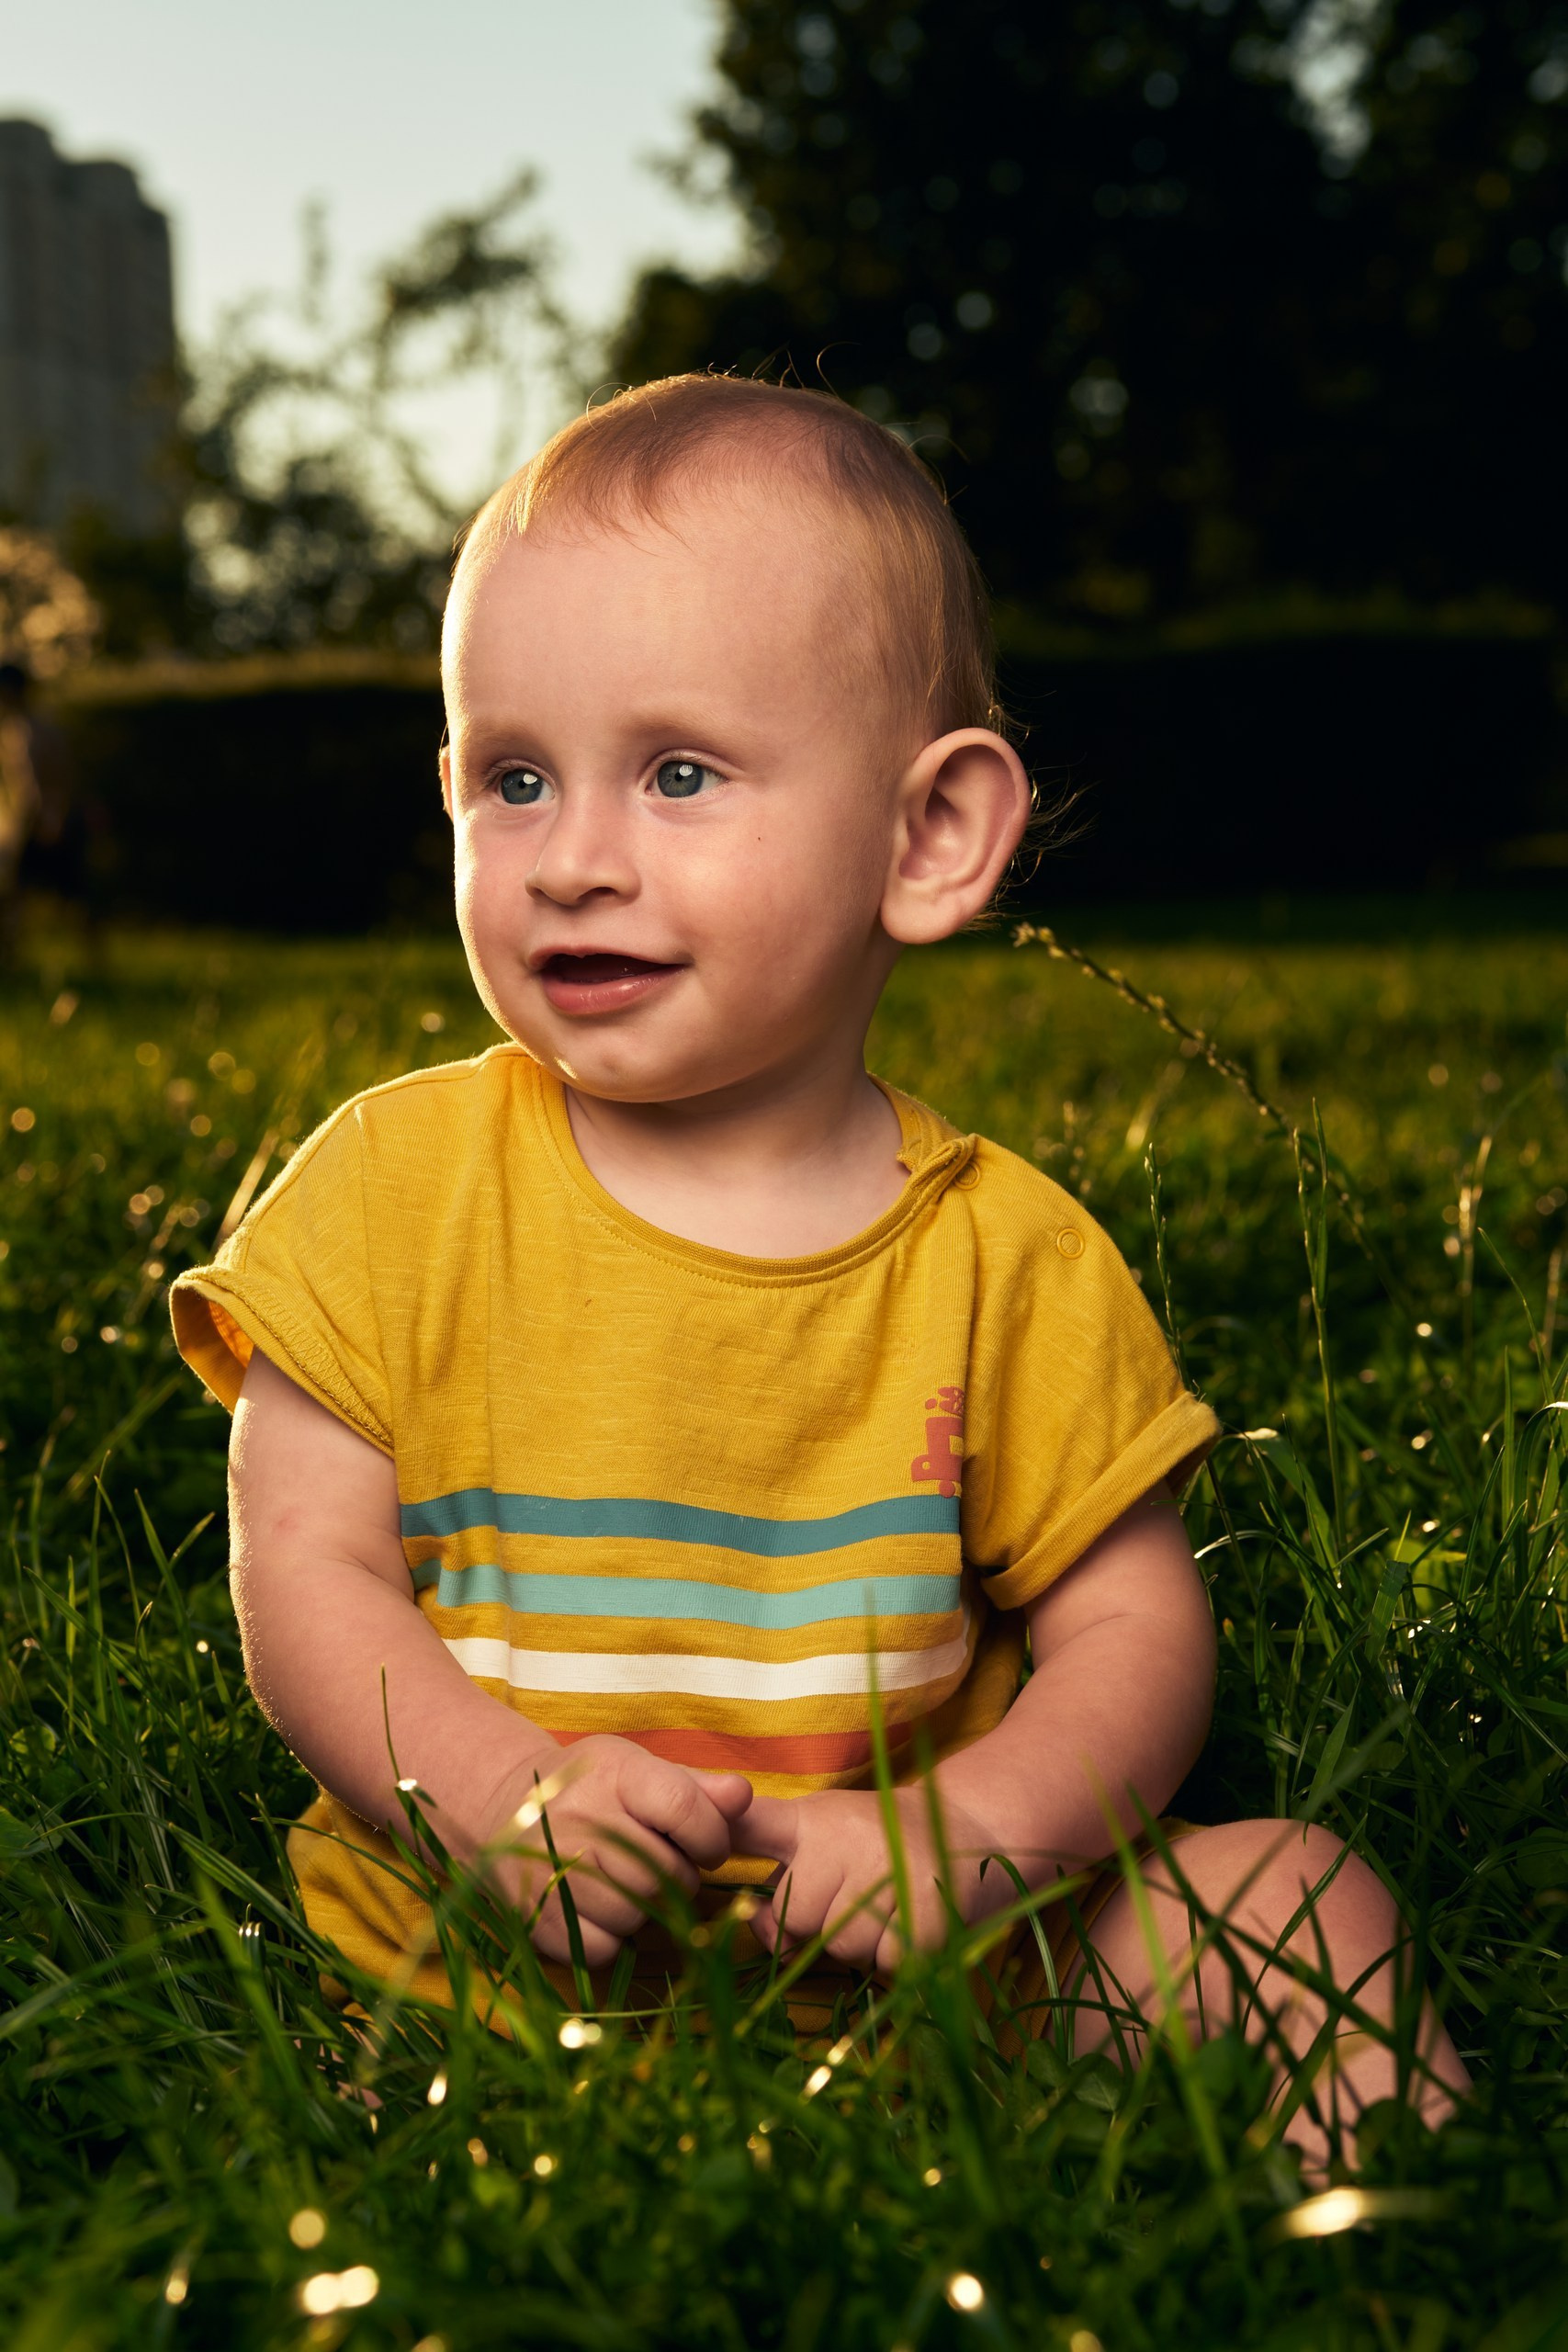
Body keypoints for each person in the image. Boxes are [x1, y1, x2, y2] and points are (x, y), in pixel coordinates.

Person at [170, 375, 1468, 2164]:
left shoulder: (1000, 1251)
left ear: (927, 836)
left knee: (1298, 1896)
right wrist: (490, 1797)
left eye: (678, 771)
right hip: (485, 1969)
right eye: (512, 776)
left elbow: (1130, 1627)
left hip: (938, 1968)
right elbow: (299, 1562)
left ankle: (1411, 2262)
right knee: (442, 2137)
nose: (572, 858)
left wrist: (970, 1834)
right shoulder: (390, 1189)